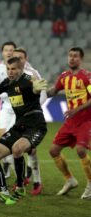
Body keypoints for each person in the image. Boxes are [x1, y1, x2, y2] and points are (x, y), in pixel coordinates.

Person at [0, 57, 48, 205]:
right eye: (8, 69)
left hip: (36, 125)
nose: (11, 72)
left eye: (14, 69)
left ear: (21, 69)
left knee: (17, 149)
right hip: (19, 126)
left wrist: (37, 88)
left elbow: (35, 89)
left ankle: (20, 188)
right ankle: (4, 193)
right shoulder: (7, 82)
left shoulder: (28, 79)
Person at [46, 47, 91, 199]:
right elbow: (53, 91)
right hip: (70, 121)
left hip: (85, 120)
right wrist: (40, 90)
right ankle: (70, 180)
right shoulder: (64, 77)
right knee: (53, 151)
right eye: (70, 55)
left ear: (81, 59)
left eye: (75, 56)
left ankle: (90, 185)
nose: (72, 58)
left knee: (80, 150)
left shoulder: (86, 77)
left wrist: (77, 109)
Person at [12, 47, 47, 195]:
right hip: (17, 116)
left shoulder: (32, 73)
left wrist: (34, 107)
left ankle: (37, 181)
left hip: (31, 117)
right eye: (16, 57)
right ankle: (23, 178)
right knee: (14, 147)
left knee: (31, 149)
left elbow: (43, 93)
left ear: (25, 59)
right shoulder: (13, 73)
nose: (18, 60)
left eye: (20, 57)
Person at [0, 41, 17, 179]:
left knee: (13, 138)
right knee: (2, 136)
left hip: (17, 106)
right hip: (4, 106)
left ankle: (23, 169)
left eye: (11, 50)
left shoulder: (20, 68)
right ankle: (7, 162)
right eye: (6, 50)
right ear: (2, 52)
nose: (8, 52)